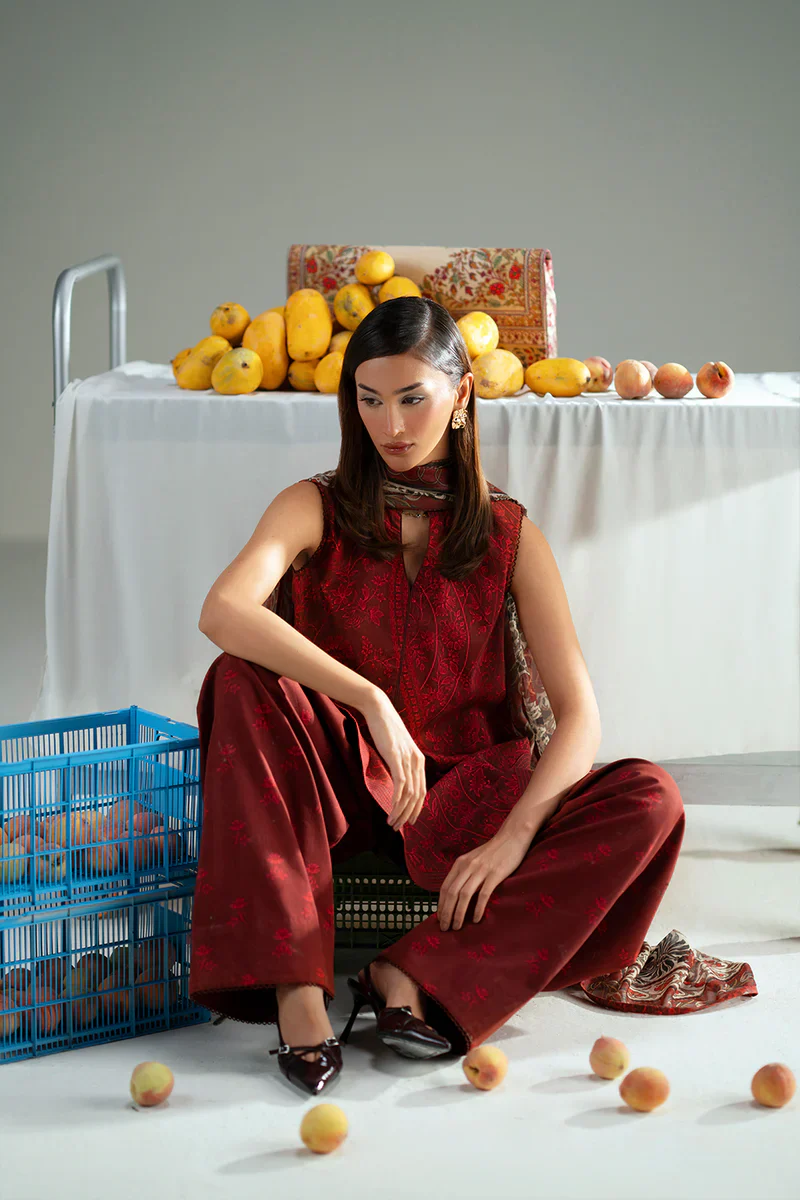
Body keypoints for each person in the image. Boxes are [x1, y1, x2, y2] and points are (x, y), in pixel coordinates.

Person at [188, 296, 686, 1096]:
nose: (390, 425)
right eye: (370, 399)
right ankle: (298, 990)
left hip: (473, 796)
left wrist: (514, 838)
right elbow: (223, 610)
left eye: (412, 398)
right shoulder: (313, 506)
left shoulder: (509, 534)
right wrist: (371, 702)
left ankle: (410, 973)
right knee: (238, 677)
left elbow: (580, 715)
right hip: (342, 780)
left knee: (651, 797)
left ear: (461, 397)